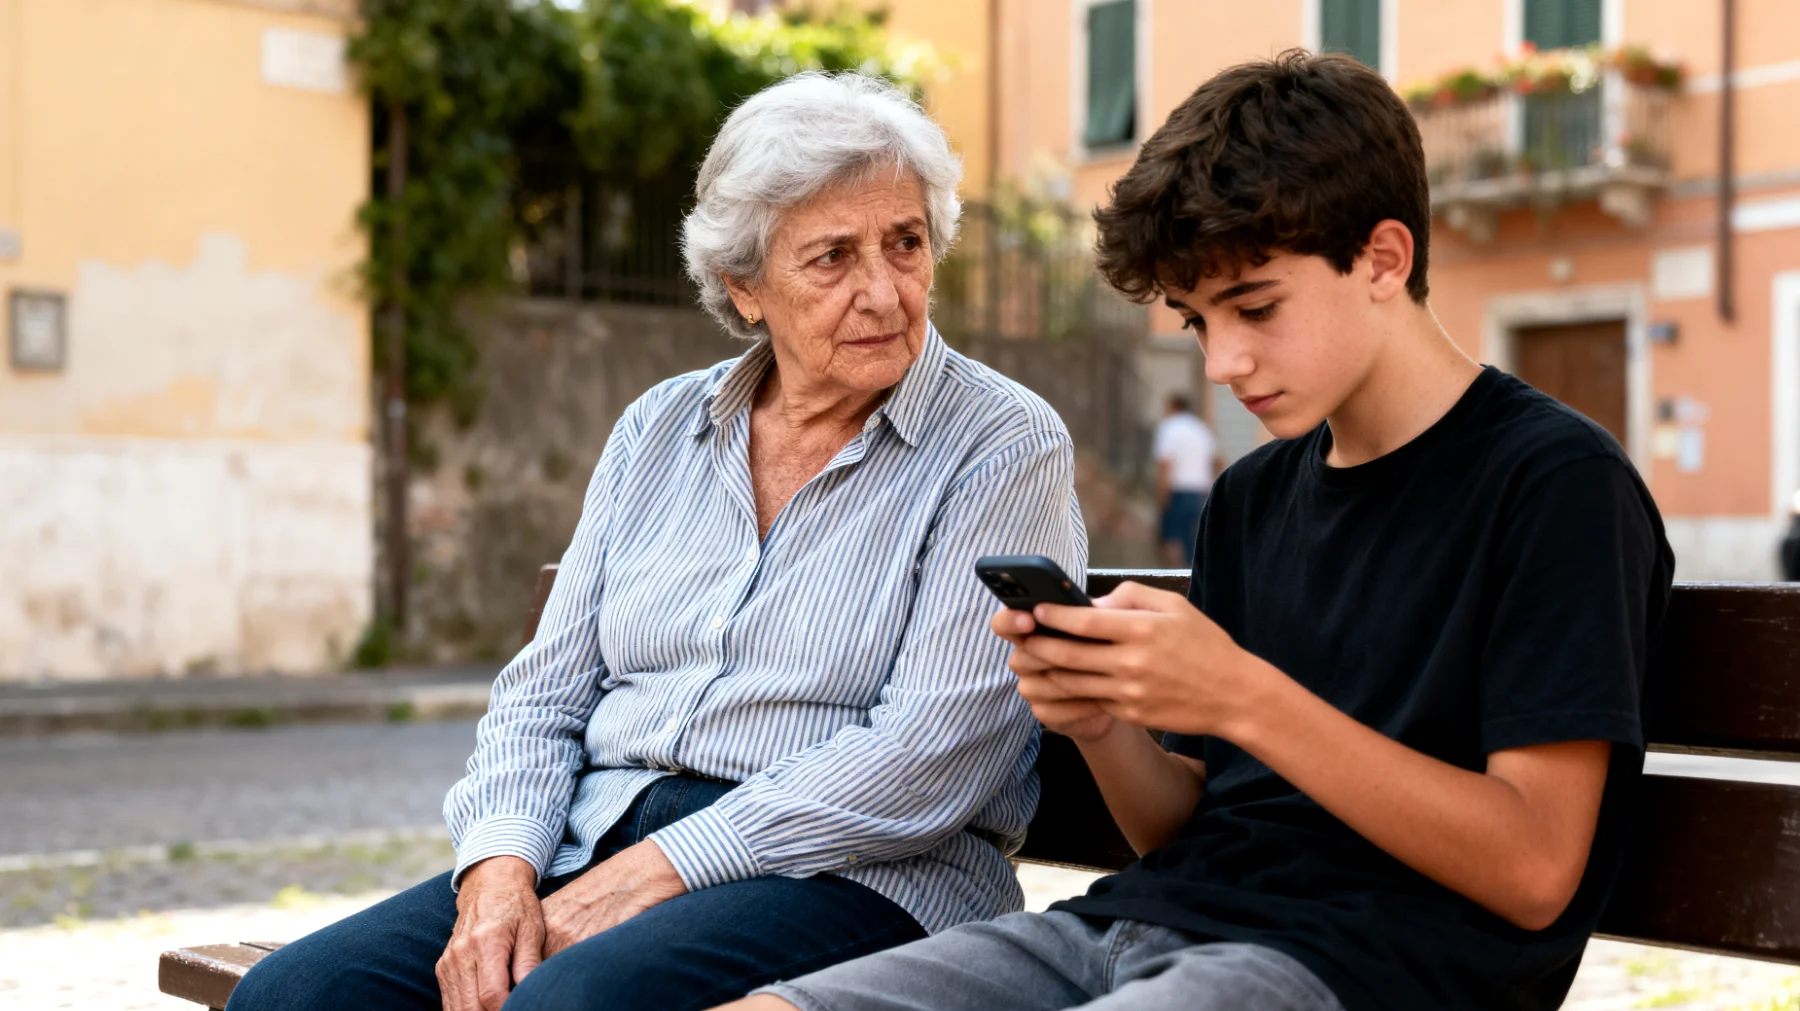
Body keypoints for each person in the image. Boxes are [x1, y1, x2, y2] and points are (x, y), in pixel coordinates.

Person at [715, 50, 1673, 1011]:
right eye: (1198, 322)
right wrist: (1099, 721)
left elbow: (1535, 865)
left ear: (1385, 258)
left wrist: (1243, 695)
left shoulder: (1555, 483)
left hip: (1348, 963)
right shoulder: (1253, 497)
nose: (1224, 362)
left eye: (1255, 308)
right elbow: (1181, 830)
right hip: (1127, 928)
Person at [226, 72, 1085, 1011]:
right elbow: (541, 695)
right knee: (295, 996)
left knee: (564, 1004)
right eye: (833, 257)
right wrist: (499, 867)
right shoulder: (660, 428)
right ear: (744, 288)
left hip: (858, 873)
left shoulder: (1003, 442)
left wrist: (658, 869)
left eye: (906, 244)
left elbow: (935, 748)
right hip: (597, 841)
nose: (883, 291)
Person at [1152, 394, 1218, 566]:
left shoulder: (1169, 428)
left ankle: (1174, 581)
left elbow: (1165, 464)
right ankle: (1190, 582)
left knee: (1171, 538)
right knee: (1192, 540)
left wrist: (1161, 495)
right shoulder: (1201, 429)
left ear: (1172, 407)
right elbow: (1217, 459)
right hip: (1199, 493)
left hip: (1177, 491)